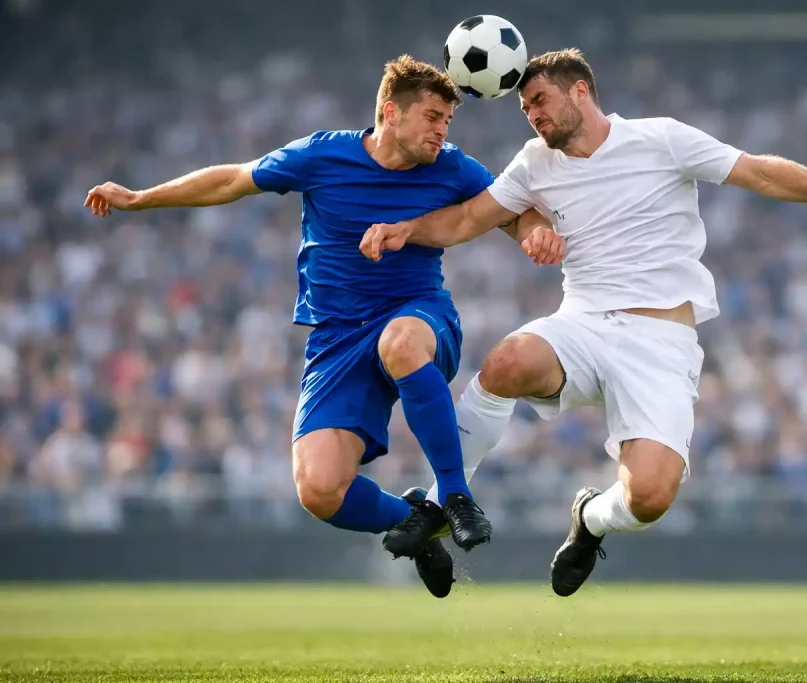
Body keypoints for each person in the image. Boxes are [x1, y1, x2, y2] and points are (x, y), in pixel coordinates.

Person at [359, 48, 807, 597]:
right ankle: (442, 500)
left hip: (660, 338)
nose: (533, 114)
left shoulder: (661, 138)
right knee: (506, 362)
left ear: (581, 90)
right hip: (582, 321)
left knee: (649, 497)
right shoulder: (534, 162)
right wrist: (405, 228)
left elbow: (759, 173)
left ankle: (591, 518)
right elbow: (468, 218)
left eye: (539, 100)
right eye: (525, 108)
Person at [83, 55, 564, 598]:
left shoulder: (452, 166)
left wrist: (535, 232)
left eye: (447, 121)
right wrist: (142, 198)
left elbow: (509, 209)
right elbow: (234, 180)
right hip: (336, 340)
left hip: (420, 315)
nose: (441, 131)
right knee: (319, 489)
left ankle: (453, 495)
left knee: (400, 342)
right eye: (431, 116)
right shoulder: (322, 154)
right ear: (390, 112)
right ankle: (418, 521)